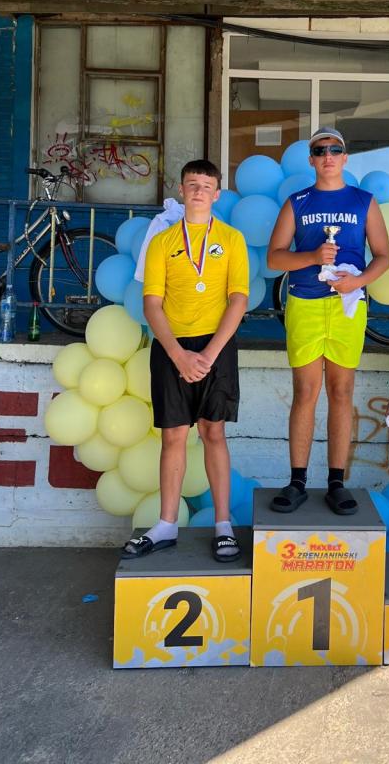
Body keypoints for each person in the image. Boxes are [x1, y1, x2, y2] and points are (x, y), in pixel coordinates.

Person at [122, 159, 249, 562]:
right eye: (192, 184)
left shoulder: (232, 239)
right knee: (174, 435)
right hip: (171, 347)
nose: (198, 191)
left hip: (217, 347)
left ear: (217, 194)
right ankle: (166, 525)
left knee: (214, 432)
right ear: (180, 190)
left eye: (206, 186)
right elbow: (151, 304)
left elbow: (239, 299)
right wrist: (178, 355)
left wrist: (209, 355)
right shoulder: (162, 241)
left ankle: (223, 525)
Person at [266, 127, 389, 515]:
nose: (328, 156)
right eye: (320, 151)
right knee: (305, 392)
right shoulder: (297, 202)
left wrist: (358, 281)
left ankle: (337, 482)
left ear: (345, 157)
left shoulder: (363, 200)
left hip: (347, 305)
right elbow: (274, 257)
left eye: (335, 149)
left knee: (341, 391)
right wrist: (311, 257)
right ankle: (297, 482)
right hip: (304, 302)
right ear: (311, 160)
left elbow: (383, 256)